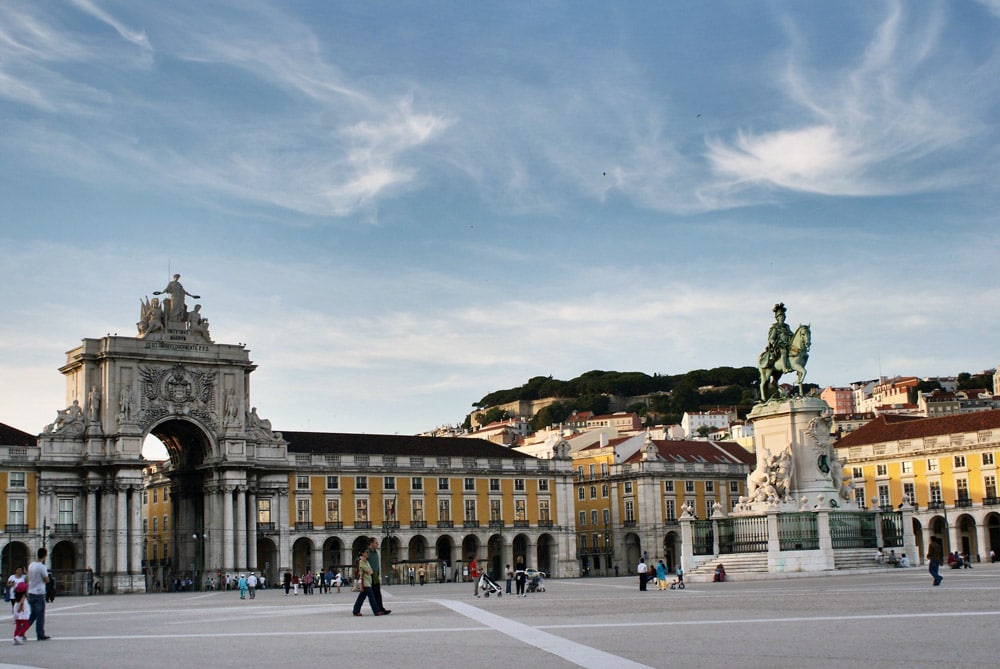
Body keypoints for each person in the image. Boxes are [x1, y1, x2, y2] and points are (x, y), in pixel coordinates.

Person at [27, 547, 51, 641]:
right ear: (45, 555)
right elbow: (46, 579)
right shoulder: (42, 566)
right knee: (40, 616)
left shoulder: (31, 565)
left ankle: (21, 630)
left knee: (33, 615)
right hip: (39, 593)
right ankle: (40, 634)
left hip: (31, 592)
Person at [352, 548, 382, 616]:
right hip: (364, 582)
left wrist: (369, 571)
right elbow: (369, 571)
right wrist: (369, 571)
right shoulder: (361, 561)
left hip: (368, 582)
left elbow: (370, 571)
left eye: (368, 552)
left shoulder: (366, 561)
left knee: (361, 598)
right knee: (372, 597)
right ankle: (376, 611)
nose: (368, 554)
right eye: (366, 552)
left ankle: (356, 610)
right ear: (362, 553)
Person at [368, 537, 390, 614]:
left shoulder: (375, 552)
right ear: (371, 543)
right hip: (369, 576)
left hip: (375, 575)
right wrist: (367, 570)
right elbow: (359, 560)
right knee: (367, 594)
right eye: (376, 543)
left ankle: (380, 608)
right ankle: (356, 610)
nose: (377, 544)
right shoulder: (367, 552)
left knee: (377, 592)